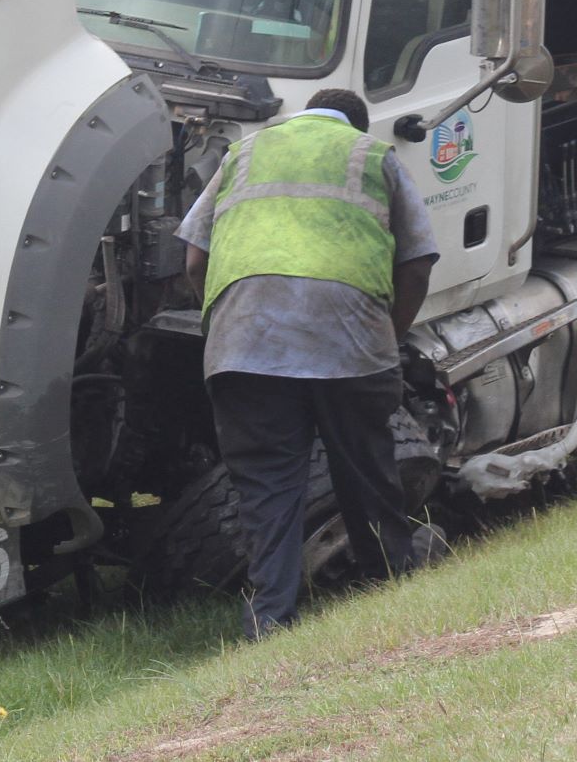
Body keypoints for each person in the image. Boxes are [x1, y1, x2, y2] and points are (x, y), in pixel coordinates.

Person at [178, 88, 441, 636]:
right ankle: (392, 588)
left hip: (244, 343)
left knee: (267, 488)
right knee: (367, 469)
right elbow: (417, 263)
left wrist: (225, 320)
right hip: (348, 338)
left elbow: (194, 257)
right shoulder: (372, 154)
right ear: (357, 124)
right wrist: (386, 337)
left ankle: (270, 620)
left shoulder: (242, 154)